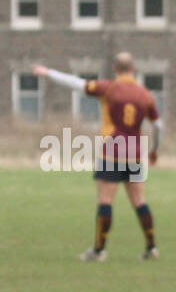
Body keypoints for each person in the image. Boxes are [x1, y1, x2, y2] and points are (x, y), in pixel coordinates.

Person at [34, 53, 161, 261]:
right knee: (139, 200)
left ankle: (99, 251)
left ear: (115, 68)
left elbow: (76, 83)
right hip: (135, 153)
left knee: (105, 200)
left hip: (112, 151)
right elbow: (158, 125)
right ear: (134, 68)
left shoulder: (109, 88)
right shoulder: (145, 94)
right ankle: (152, 247)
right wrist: (155, 149)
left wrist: (49, 73)